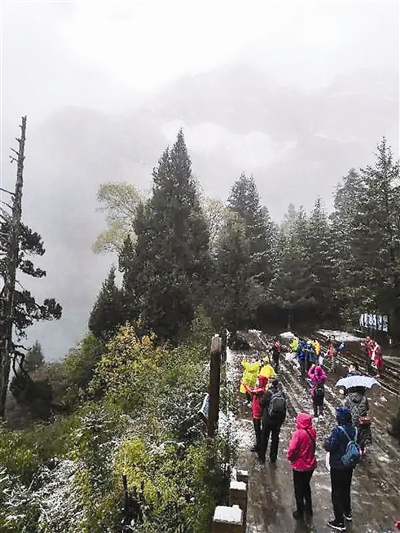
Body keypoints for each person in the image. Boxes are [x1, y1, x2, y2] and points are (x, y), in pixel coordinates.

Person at [324, 406, 358, 531]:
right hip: (349, 464)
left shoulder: (338, 431)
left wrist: (326, 443)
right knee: (346, 488)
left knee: (336, 491)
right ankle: (347, 511)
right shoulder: (354, 429)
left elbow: (330, 446)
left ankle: (339, 521)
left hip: (338, 465)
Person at [287, 412, 317, 521]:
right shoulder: (312, 431)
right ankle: (308, 508)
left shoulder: (298, 434)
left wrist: (290, 457)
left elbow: (292, 449)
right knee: (306, 486)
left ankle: (299, 512)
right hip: (311, 465)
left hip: (299, 466)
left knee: (298, 489)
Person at [258, 379, 286, 464]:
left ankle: (262, 457)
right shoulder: (282, 394)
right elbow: (284, 407)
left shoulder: (268, 393)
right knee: (275, 438)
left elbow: (261, 404)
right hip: (277, 420)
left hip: (268, 420)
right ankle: (273, 457)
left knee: (264, 437)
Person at [240, 375, 268, 453]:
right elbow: (251, 390)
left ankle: (259, 445)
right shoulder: (259, 389)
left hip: (258, 413)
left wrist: (244, 384)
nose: (257, 381)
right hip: (255, 411)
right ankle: (258, 444)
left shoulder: (261, 390)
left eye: (259, 380)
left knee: (258, 429)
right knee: (257, 430)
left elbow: (251, 391)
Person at [345, 386, 371, 456]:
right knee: (362, 435)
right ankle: (362, 450)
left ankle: (352, 449)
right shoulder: (364, 398)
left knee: (352, 434)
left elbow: (346, 408)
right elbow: (367, 408)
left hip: (351, 420)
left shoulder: (348, 398)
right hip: (361, 421)